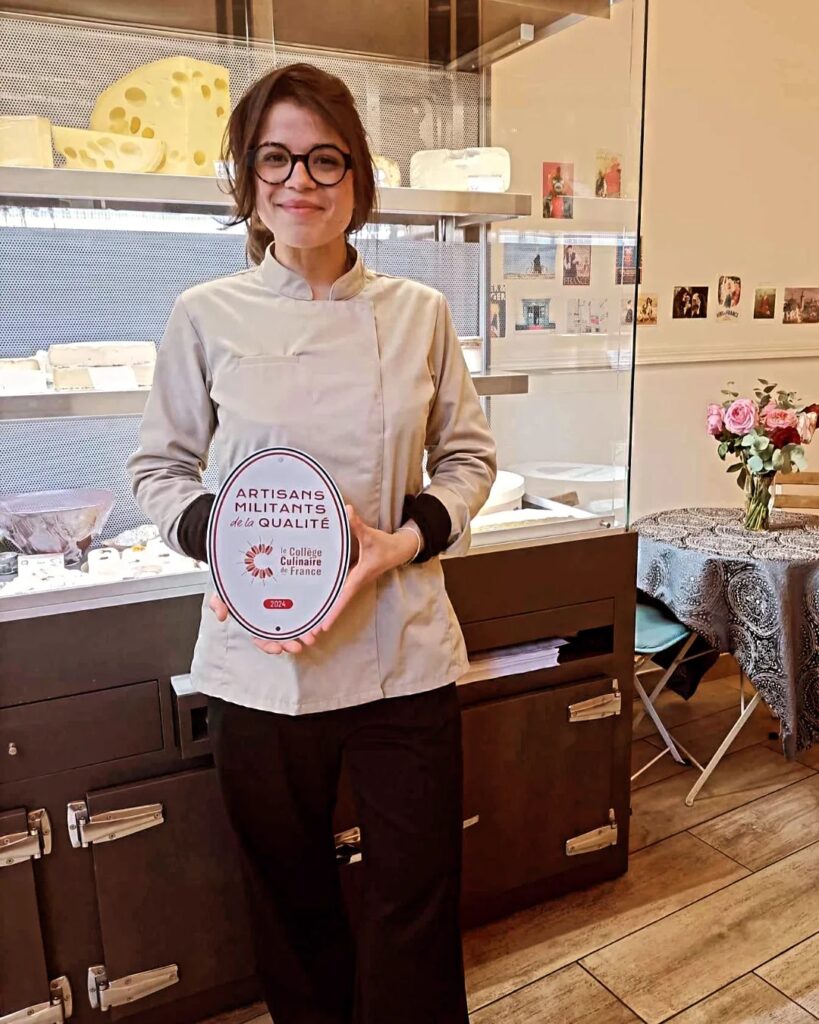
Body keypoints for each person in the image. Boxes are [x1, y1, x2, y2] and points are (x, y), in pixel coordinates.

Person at [128, 62, 496, 1024]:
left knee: (413, 901)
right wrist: (231, 543)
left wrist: (401, 543)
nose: (300, 181)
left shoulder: (419, 313)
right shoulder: (203, 316)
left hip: (401, 653)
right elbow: (157, 472)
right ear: (247, 180)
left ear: (357, 178)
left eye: (324, 159)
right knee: (289, 902)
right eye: (275, 158)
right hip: (262, 662)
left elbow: (467, 459)